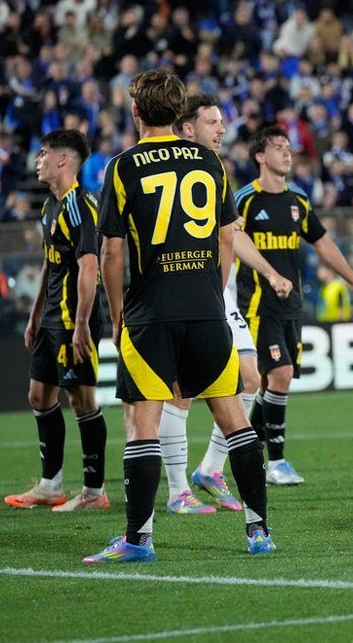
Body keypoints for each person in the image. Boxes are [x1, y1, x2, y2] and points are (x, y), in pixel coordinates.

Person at [85, 69, 272, 563]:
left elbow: (111, 252)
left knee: (141, 424)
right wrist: (212, 292)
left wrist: (116, 311)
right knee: (234, 418)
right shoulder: (211, 163)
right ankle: (258, 530)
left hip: (151, 310)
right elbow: (227, 237)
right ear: (178, 112)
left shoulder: (123, 166)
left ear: (136, 111)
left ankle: (138, 539)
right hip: (207, 309)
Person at [155, 94, 293, 515]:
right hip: (183, 291)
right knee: (180, 390)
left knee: (250, 377)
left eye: (221, 122)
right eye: (212, 122)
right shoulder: (167, 168)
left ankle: (210, 469)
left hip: (218, 293)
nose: (221, 129)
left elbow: (231, 234)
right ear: (188, 128)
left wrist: (269, 272)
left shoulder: (215, 168)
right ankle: (177, 490)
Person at [236, 125, 353, 485]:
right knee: (280, 374)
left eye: (289, 147)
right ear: (260, 156)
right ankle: (277, 463)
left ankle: (246, 451)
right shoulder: (245, 200)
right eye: (278, 147)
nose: (287, 153)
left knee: (271, 383)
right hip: (256, 303)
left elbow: (323, 243)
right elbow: (229, 240)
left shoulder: (298, 200)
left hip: (291, 304)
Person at [4, 129, 109, 512]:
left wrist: (81, 324)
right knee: (39, 395)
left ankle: (94, 492)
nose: (38, 160)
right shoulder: (51, 205)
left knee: (81, 399)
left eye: (44, 153)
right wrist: (35, 315)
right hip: (50, 318)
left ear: (63, 159)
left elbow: (89, 267)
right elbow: (51, 263)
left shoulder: (81, 206)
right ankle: (51, 485)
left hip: (72, 321)